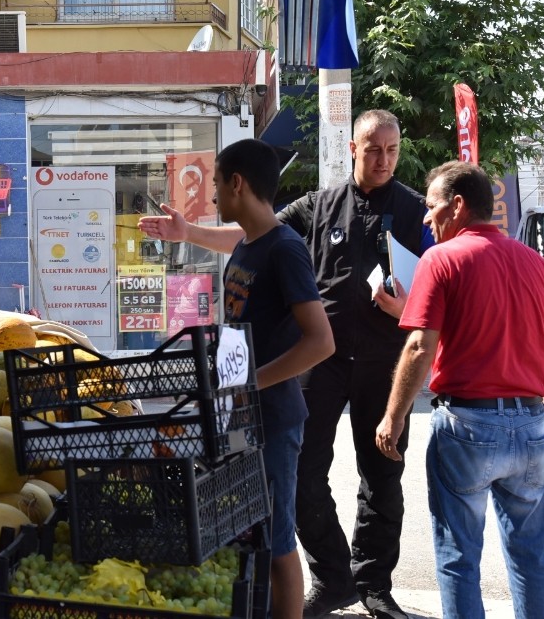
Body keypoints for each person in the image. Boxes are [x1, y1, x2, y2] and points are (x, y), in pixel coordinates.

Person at [139, 109, 432, 619]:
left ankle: (374, 585)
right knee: (303, 478)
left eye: (392, 149)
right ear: (353, 151)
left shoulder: (413, 211)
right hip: (321, 365)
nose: (384, 159)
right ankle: (335, 576)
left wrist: (409, 310)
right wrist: (189, 234)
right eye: (373, 149)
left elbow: (439, 285)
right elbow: (255, 233)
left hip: (385, 359)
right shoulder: (320, 206)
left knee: (381, 476)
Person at [375, 161, 544, 619]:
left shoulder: (441, 259)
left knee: (458, 559)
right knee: (531, 557)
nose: (426, 218)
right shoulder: (536, 264)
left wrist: (393, 416)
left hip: (467, 426)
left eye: (431, 206)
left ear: (457, 206)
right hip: (530, 426)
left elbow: (420, 347)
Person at [212, 138, 335, 619]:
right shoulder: (249, 243)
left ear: (237, 183)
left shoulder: (285, 249)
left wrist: (250, 383)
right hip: (243, 414)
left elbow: (320, 342)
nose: (216, 195)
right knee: (256, 533)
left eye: (218, 184)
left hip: (275, 419)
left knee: (279, 538)